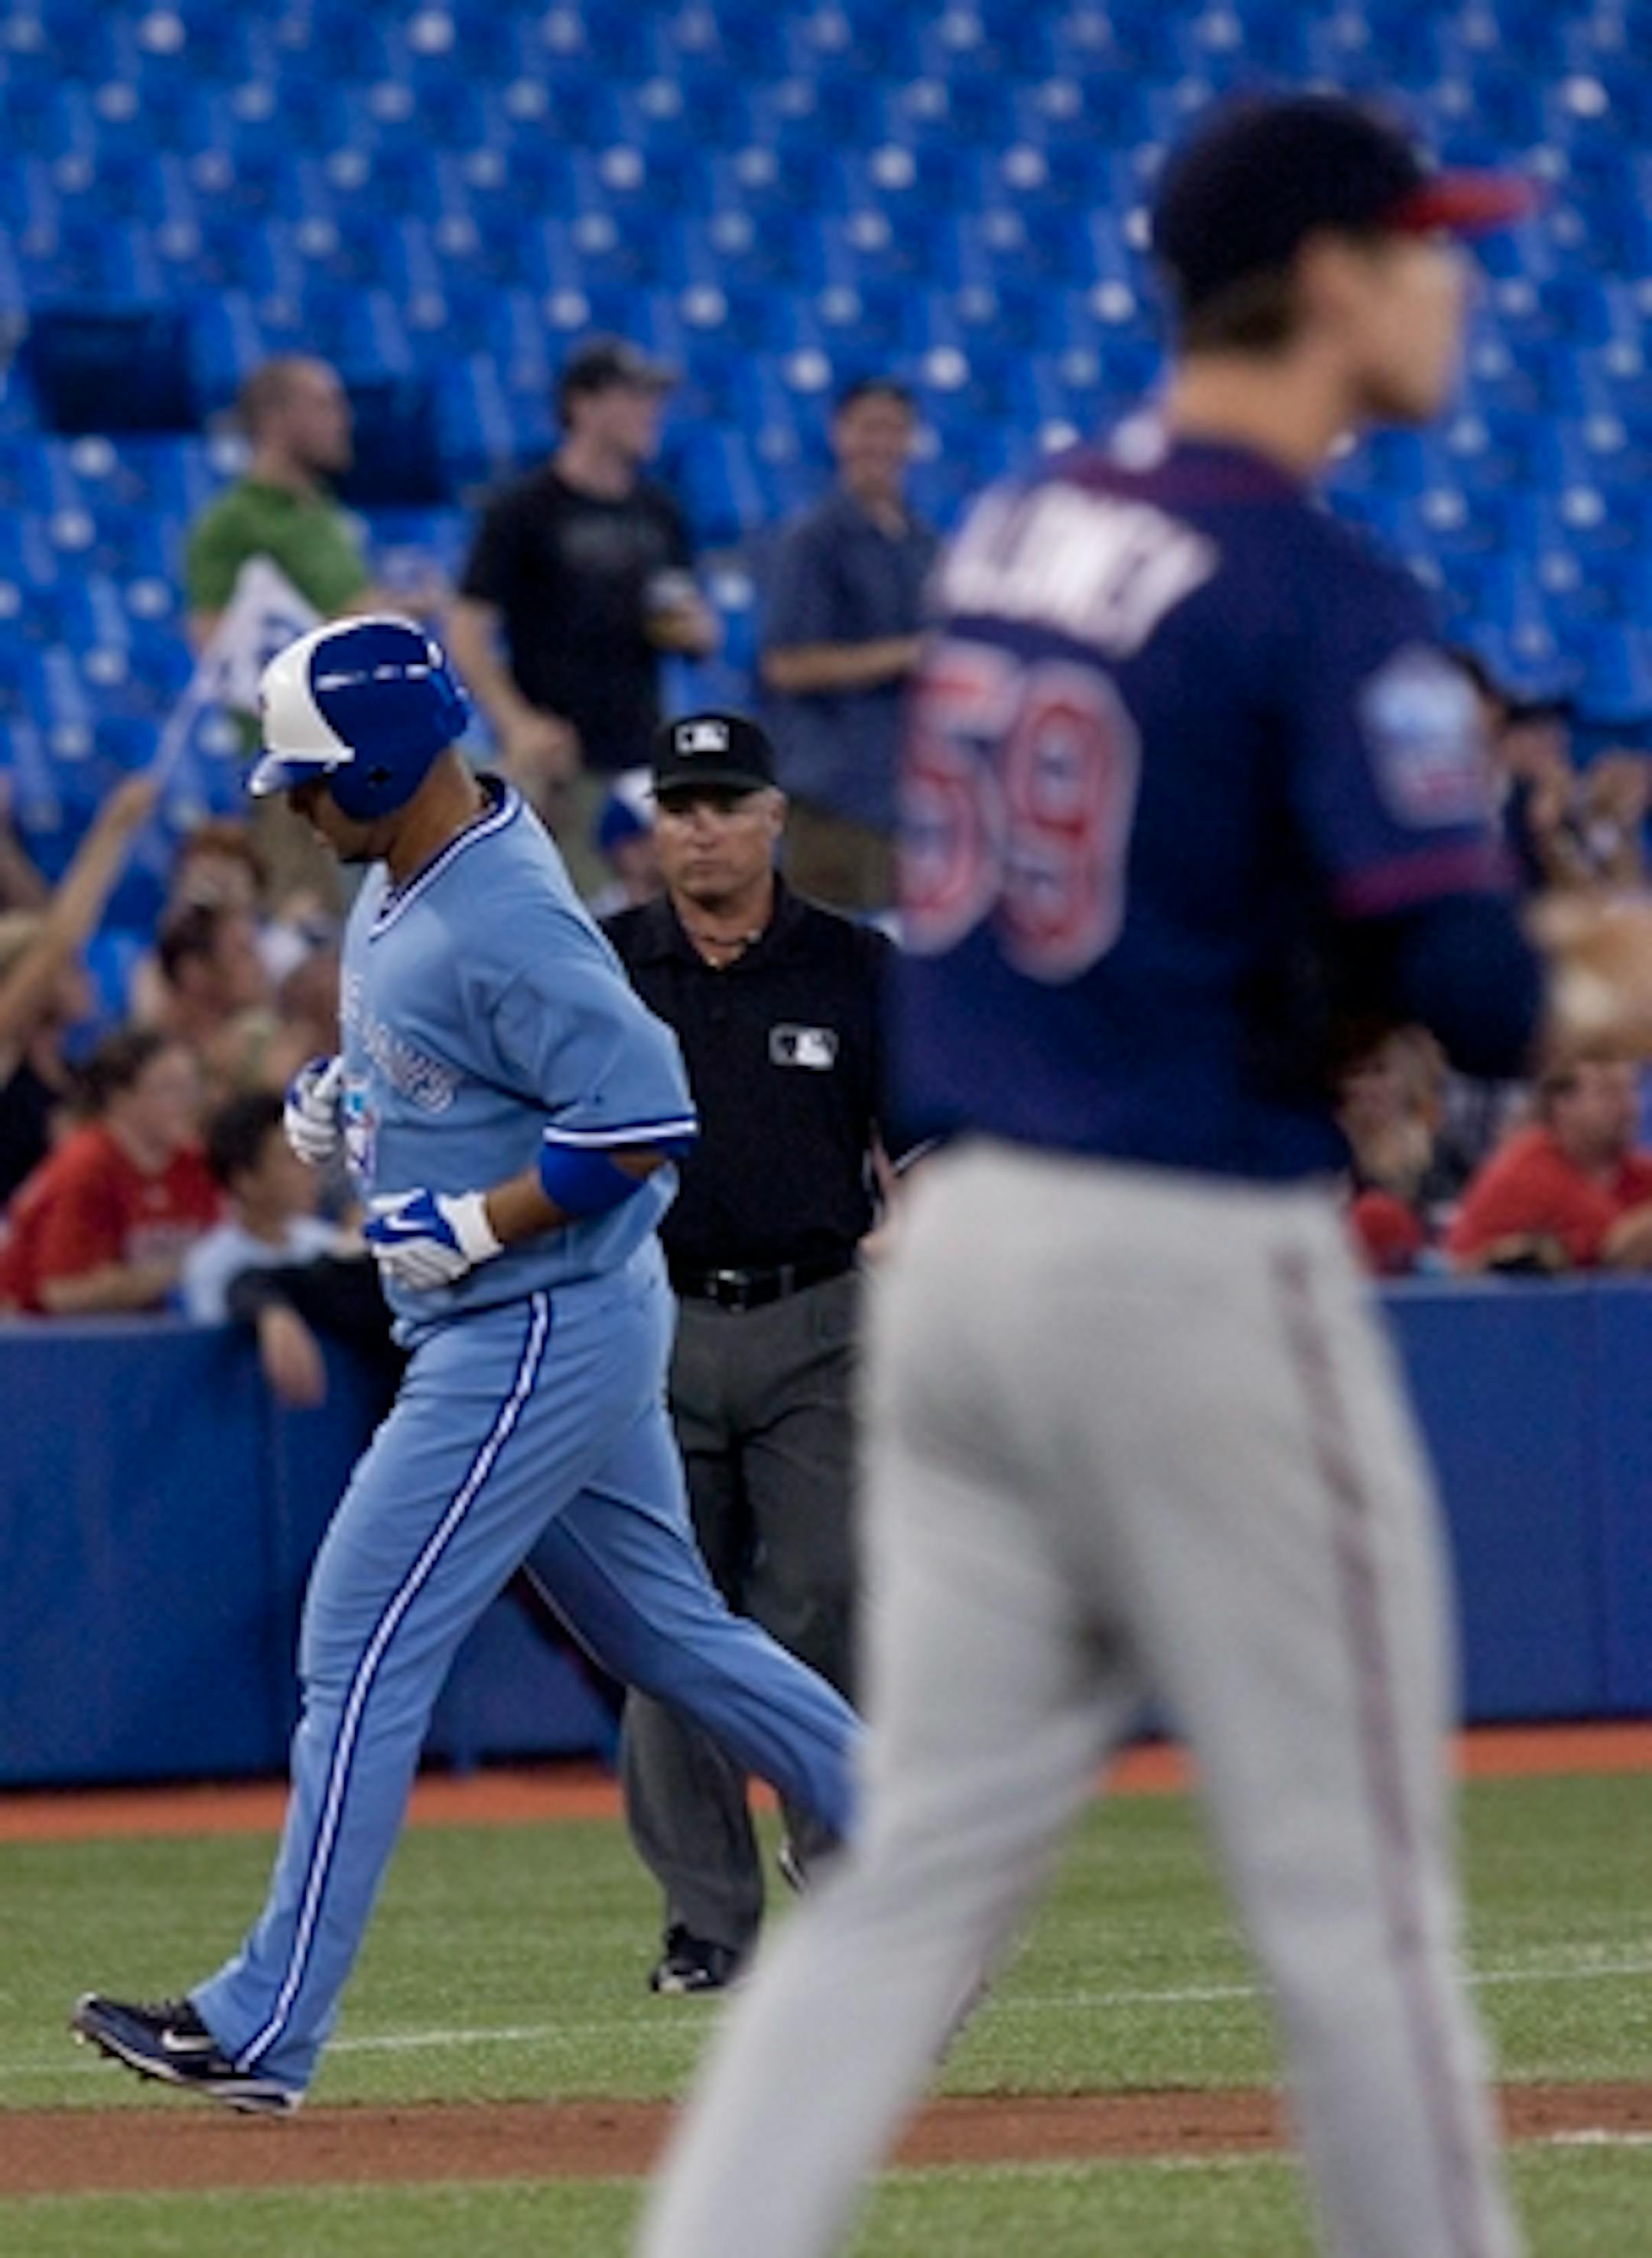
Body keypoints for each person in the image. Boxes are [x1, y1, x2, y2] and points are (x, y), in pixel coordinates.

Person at [638, 94, 1652, 2258]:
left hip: (973, 1257)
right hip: (1186, 1262)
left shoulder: (1017, 524)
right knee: (1354, 1903)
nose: (1461, 279)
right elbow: (1473, 990)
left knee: (913, 1884)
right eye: (1429, 243)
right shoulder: (1315, 579)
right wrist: (1584, 975)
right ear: (1336, 279)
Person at [70, 613, 859, 2115]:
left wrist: (480, 1220)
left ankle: (260, 2023)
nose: (297, 806)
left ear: (375, 760)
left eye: (310, 778)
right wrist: (342, 1097)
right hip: (545, 1315)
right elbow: (451, 1051)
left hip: (528, 1321)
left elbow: (645, 1119)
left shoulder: (505, 909)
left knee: (357, 1646)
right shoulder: (409, 872)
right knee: (677, 1640)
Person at [606, 711, 899, 1994]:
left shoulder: (853, 965)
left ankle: (842, 1876)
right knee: (668, 1627)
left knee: (825, 1592)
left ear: (777, 814)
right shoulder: (602, 962)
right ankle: (707, 1925)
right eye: (679, 805)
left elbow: (932, 1146)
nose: (700, 826)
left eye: (724, 801)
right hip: (646, 1319)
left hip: (817, 1319)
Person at [448, 334, 719, 891]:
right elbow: (467, 628)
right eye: (634, 397)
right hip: (561, 764)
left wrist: (699, 632)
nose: (651, 413)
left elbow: (688, 615)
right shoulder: (524, 510)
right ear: (583, 405)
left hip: (640, 754)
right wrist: (515, 720)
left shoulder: (660, 511)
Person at [759, 379, 938, 916]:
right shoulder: (813, 540)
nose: (880, 443)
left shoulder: (922, 542)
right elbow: (785, 665)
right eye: (867, 428)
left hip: (903, 793)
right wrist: (905, 655)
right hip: (834, 796)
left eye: (894, 429)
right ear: (840, 436)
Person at [0, 769, 160, 1202]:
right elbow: (59, 939)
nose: (84, 974)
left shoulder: (78, 1070)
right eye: (67, 970)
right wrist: (114, 829)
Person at [0, 1027, 216, 1315]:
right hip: (38, 1338)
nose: (188, 1103)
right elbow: (61, 1292)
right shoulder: (86, 1167)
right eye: (170, 1089)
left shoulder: (196, 1166)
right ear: (120, 1097)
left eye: (193, 1088)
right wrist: (182, 1270)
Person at [180, 1088, 366, 1408]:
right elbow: (217, 1352)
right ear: (245, 1179)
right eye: (289, 1160)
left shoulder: (326, 1244)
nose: (309, 1172)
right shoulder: (212, 1265)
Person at [1447, 1055, 1652, 1274]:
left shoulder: (1635, 1169)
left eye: (1631, 1091)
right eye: (1608, 1093)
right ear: (1561, 1103)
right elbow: (1616, 1245)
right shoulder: (1528, 1168)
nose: (1627, 1107)